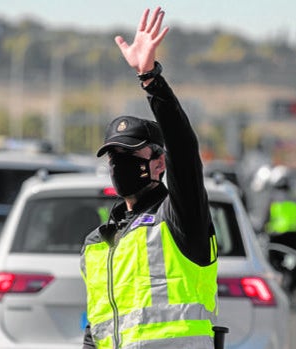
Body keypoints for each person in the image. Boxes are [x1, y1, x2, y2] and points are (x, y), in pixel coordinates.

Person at [80, 7, 219, 349]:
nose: (119, 163)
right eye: (114, 156)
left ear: (159, 162)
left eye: (130, 155)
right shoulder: (97, 243)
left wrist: (150, 78)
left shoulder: (179, 219)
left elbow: (185, 152)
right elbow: (96, 329)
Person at [262, 165, 296, 294]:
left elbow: (266, 217)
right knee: (293, 261)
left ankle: (276, 284)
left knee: (272, 262)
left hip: (277, 236)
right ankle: (292, 287)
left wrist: (263, 228)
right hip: (294, 236)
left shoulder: (273, 198)